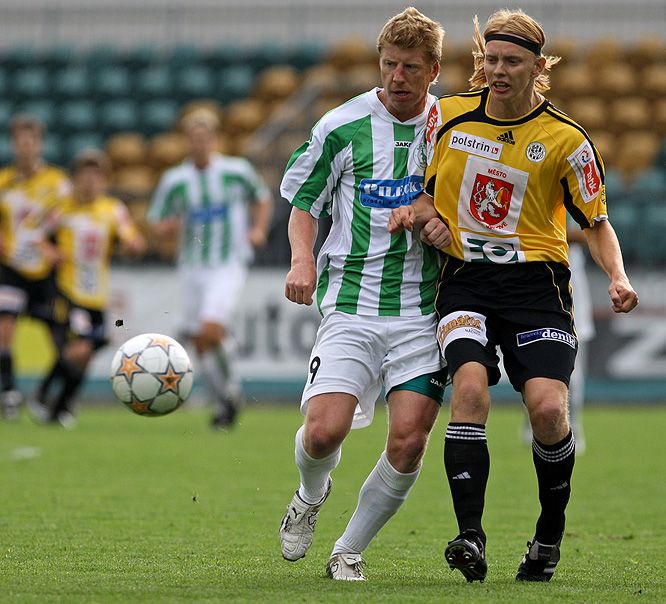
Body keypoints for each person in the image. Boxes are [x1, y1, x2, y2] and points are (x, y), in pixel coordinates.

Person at [389, 8, 639, 583]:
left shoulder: (567, 141)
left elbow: (596, 222)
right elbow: (427, 194)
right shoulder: (446, 119)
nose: (498, 71)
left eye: (512, 61)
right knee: (470, 390)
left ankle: (548, 537)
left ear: (538, 67)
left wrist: (618, 278)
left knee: (549, 410)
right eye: (491, 59)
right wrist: (420, 215)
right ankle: (470, 537)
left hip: (536, 287)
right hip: (465, 281)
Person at [278, 7, 449, 582]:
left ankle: (347, 551)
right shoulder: (341, 125)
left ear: (433, 70)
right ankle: (310, 493)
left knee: (409, 441)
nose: (396, 76)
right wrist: (303, 258)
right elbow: (304, 202)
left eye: (409, 67)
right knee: (323, 432)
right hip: (351, 304)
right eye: (388, 64)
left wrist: (443, 224)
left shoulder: (453, 131)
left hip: (424, 312)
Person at [147, 108, 273, 429]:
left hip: (228, 263)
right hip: (191, 267)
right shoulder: (175, 180)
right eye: (193, 138)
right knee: (201, 340)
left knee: (211, 328)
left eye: (204, 137)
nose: (199, 143)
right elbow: (155, 221)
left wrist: (258, 229)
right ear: (186, 141)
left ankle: (231, 393)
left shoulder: (235, 171)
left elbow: (262, 197)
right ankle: (225, 402)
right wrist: (167, 228)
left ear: (214, 139)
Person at [31, 149, 146, 428]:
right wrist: (50, 251)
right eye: (84, 176)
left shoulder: (112, 210)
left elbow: (132, 237)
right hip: (69, 292)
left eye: (96, 176)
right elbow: (37, 237)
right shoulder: (62, 208)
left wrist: (134, 245)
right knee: (83, 346)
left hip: (97, 296)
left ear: (103, 179)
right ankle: (44, 394)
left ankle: (60, 408)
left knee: (86, 354)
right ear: (75, 179)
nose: (90, 182)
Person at [0, 114, 71, 419]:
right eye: (20, 141)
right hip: (11, 268)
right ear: (14, 144)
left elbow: (68, 222)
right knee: (4, 327)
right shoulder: (4, 181)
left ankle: (51, 396)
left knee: (60, 336)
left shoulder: (57, 183)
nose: (26, 147)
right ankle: (8, 392)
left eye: (31, 140)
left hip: (45, 271)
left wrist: (57, 249)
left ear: (39, 144)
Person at [523, 220, 594, 453]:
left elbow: (590, 234)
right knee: (531, 361)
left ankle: (574, 425)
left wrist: (544, 230)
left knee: (575, 369)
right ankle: (531, 421)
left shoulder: (575, 195)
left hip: (571, 284)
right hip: (534, 281)